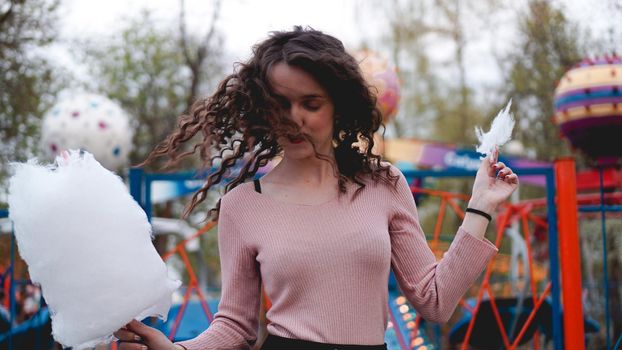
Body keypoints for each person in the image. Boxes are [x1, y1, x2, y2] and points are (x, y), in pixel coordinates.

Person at [114, 26, 518, 350]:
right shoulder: (243, 205)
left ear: (337, 106)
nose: (294, 119)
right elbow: (236, 325)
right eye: (280, 103)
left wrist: (480, 205)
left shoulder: (383, 184)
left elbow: (435, 301)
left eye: (310, 103)